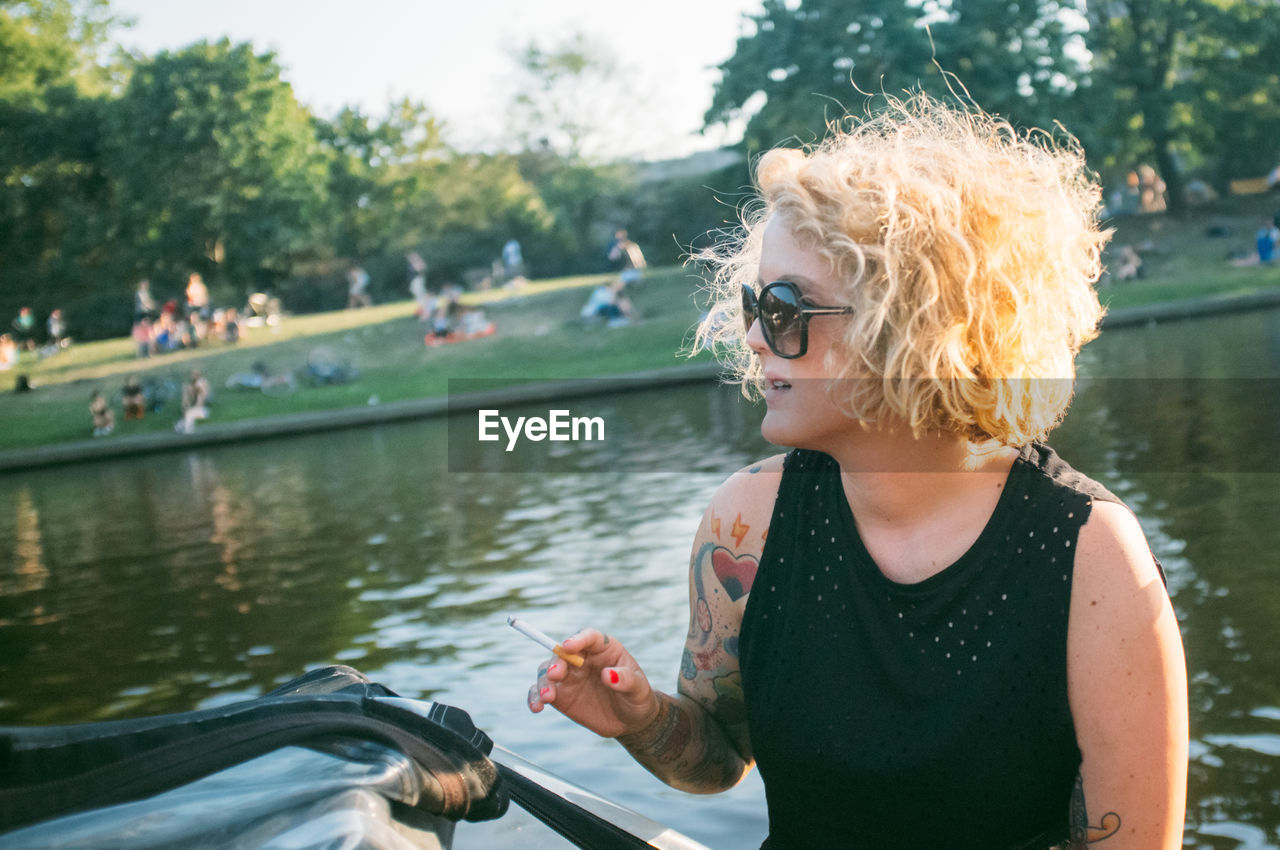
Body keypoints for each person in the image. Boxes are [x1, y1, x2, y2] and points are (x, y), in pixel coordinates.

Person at [527, 94, 1188, 849]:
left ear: (913, 324)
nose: (751, 336)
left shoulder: (1091, 553)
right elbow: (717, 762)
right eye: (754, 302)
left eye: (783, 307)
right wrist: (640, 718)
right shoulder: (748, 521)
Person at [176, 369, 211, 433]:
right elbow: (185, 404)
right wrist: (186, 393)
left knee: (189, 414)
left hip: (204, 410)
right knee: (178, 427)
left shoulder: (202, 390)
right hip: (193, 410)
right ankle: (186, 432)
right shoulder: (189, 388)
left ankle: (189, 433)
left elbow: (200, 404)